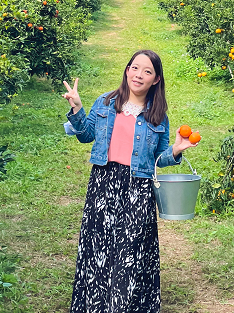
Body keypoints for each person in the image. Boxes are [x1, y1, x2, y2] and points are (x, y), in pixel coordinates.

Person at [61, 49, 199, 313]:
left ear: (156, 79)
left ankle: (124, 307)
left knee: (131, 252)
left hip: (138, 187)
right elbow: (86, 135)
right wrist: (77, 108)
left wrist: (176, 151)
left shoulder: (157, 116)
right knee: (98, 246)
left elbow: (158, 158)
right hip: (103, 182)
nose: (139, 75)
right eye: (135, 68)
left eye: (147, 71)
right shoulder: (105, 102)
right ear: (127, 70)